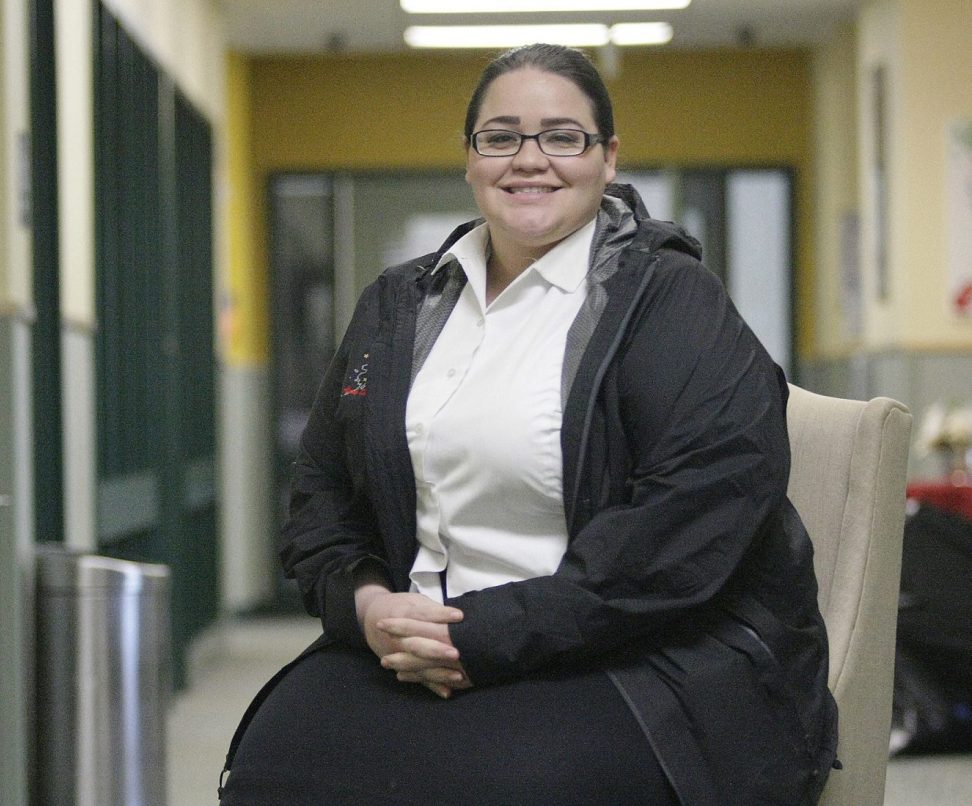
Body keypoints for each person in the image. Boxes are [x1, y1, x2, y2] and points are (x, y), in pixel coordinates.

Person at [219, 43, 839, 805]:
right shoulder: (398, 306)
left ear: (608, 158)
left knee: (496, 784)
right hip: (423, 641)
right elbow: (321, 490)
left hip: (630, 652)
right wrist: (368, 606)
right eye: (502, 136)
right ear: (471, 158)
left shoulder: (671, 301)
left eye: (563, 136)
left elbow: (690, 524)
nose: (530, 160)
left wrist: (492, 633)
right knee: (273, 766)